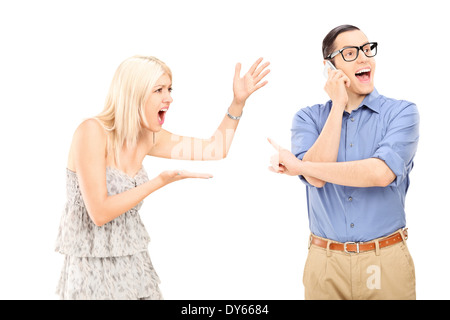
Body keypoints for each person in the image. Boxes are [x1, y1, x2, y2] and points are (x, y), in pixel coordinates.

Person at [55, 55, 270, 300]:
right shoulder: (92, 132)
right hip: (91, 269)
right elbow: (99, 212)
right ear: (134, 94)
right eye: (158, 90)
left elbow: (215, 149)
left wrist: (237, 103)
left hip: (133, 262)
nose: (168, 98)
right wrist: (158, 182)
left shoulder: (149, 136)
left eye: (169, 89)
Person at [268, 25, 419, 300]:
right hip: (325, 263)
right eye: (350, 53)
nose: (364, 58)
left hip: (383, 261)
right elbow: (317, 179)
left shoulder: (401, 113)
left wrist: (299, 166)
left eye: (366, 49)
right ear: (330, 67)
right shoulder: (308, 118)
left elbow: (380, 173)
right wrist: (337, 105)